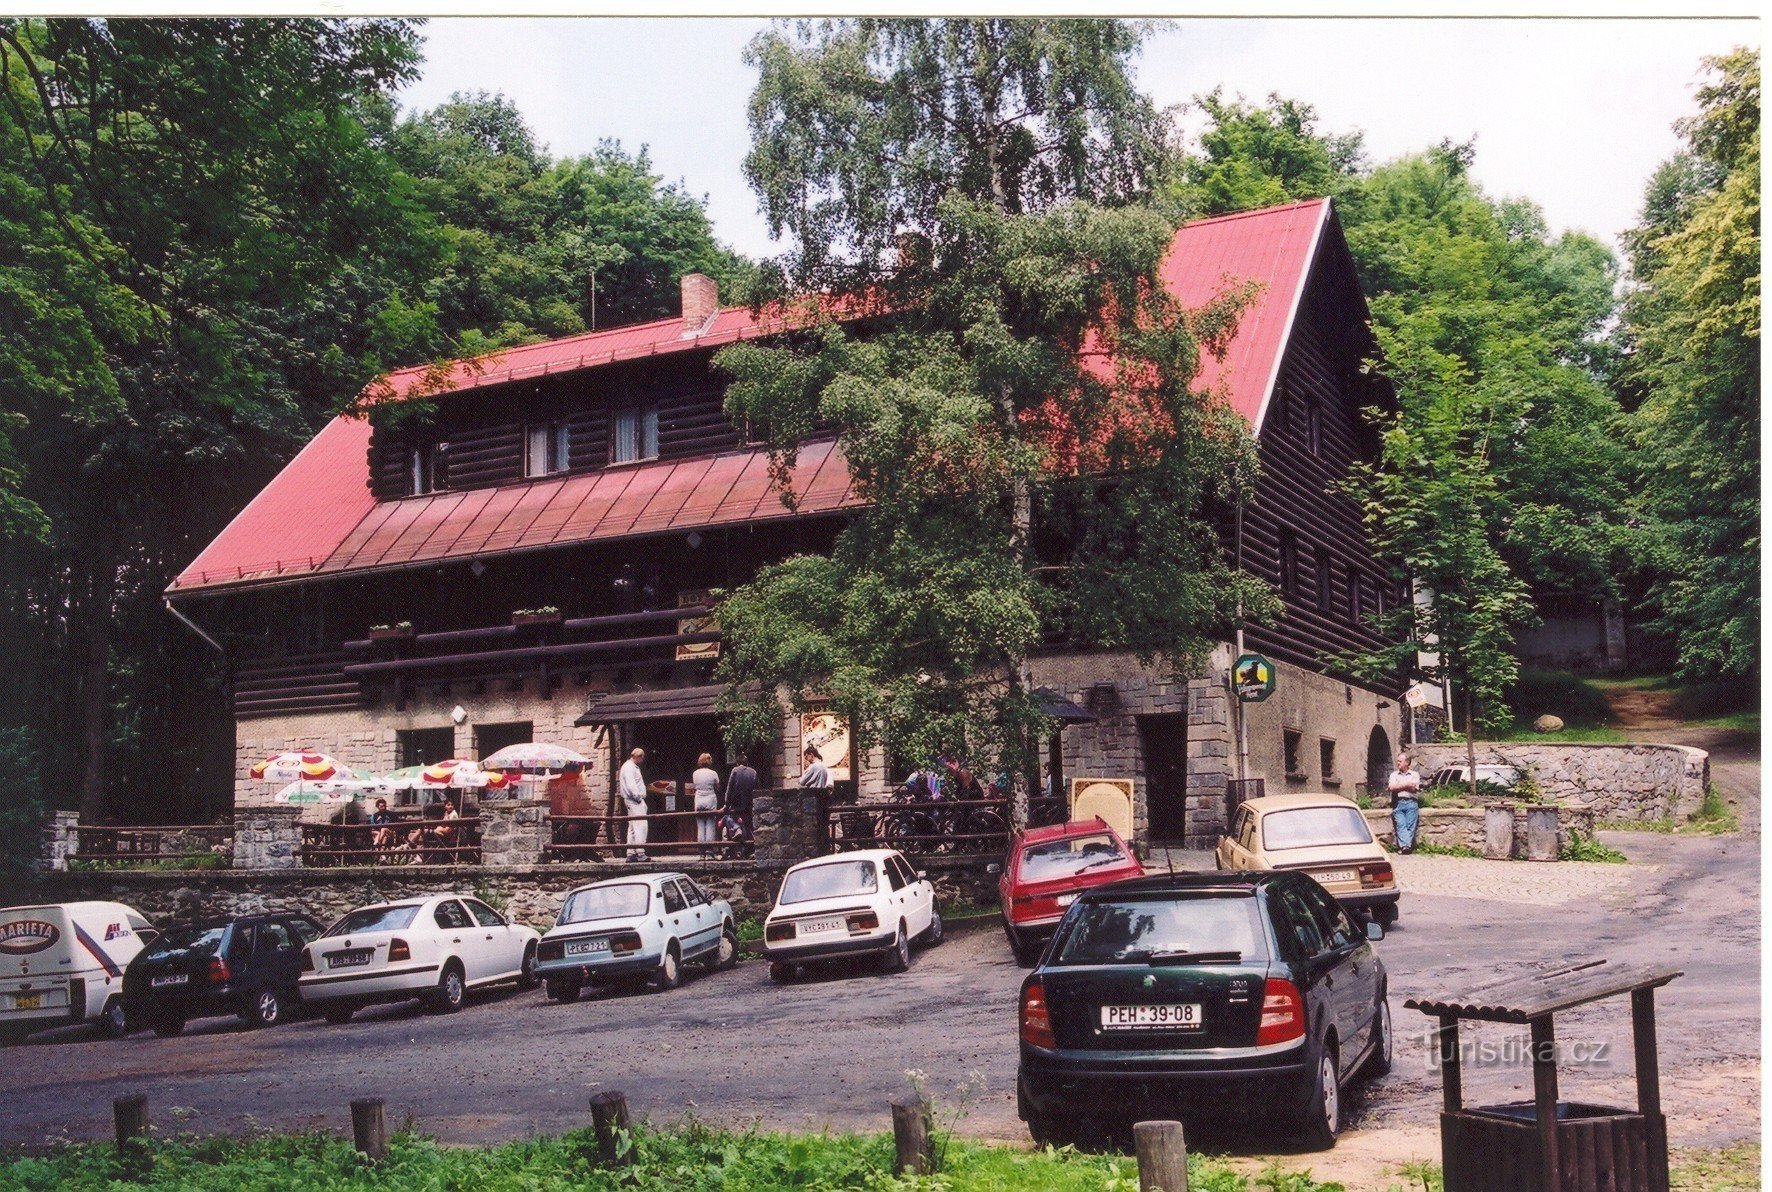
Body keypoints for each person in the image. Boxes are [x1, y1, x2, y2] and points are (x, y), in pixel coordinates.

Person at [1388, 751, 1423, 854]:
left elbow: (1414, 789)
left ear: (1407, 762)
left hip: (1411, 803)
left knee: (1410, 826)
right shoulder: (1394, 775)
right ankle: (1406, 847)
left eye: (1400, 761)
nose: (1398, 763)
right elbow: (1392, 787)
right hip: (1398, 803)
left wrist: (1400, 785)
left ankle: (1404, 847)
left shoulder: (1414, 774)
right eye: (1398, 761)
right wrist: (1407, 784)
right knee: (1400, 825)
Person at [722, 751, 759, 847]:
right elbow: (757, 789)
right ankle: (749, 849)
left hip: (736, 803)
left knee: (728, 818)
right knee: (748, 826)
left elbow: (730, 788)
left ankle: (736, 829)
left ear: (737, 763)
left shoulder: (735, 770)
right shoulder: (753, 772)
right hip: (749, 803)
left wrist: (727, 804)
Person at [619, 747, 649, 862]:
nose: (642, 760)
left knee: (632, 826)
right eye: (642, 757)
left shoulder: (628, 766)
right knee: (640, 825)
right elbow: (632, 785)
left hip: (632, 800)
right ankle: (640, 852)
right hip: (634, 800)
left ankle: (630, 852)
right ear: (638, 756)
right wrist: (639, 798)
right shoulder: (629, 767)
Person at [691, 752, 721, 857]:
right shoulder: (713, 773)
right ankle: (709, 851)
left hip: (699, 799)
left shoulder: (695, 773)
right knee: (710, 825)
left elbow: (695, 786)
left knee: (700, 826)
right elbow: (717, 787)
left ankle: (701, 851)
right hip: (710, 799)